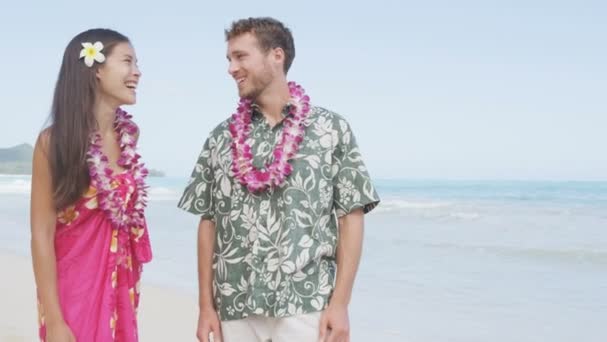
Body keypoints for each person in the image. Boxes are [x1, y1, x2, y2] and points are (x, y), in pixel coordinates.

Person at [178, 17, 380, 342]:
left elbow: (351, 217)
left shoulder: (330, 129)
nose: (231, 68)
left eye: (240, 56)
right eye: (229, 59)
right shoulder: (220, 138)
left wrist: (340, 304)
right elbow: (208, 222)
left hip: (306, 301)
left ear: (277, 55)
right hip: (235, 302)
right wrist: (206, 307)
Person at [30, 28, 152, 341]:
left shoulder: (130, 136)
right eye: (127, 61)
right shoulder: (54, 142)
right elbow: (41, 235)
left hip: (122, 286)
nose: (137, 72)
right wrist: (55, 320)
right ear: (96, 69)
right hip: (74, 291)